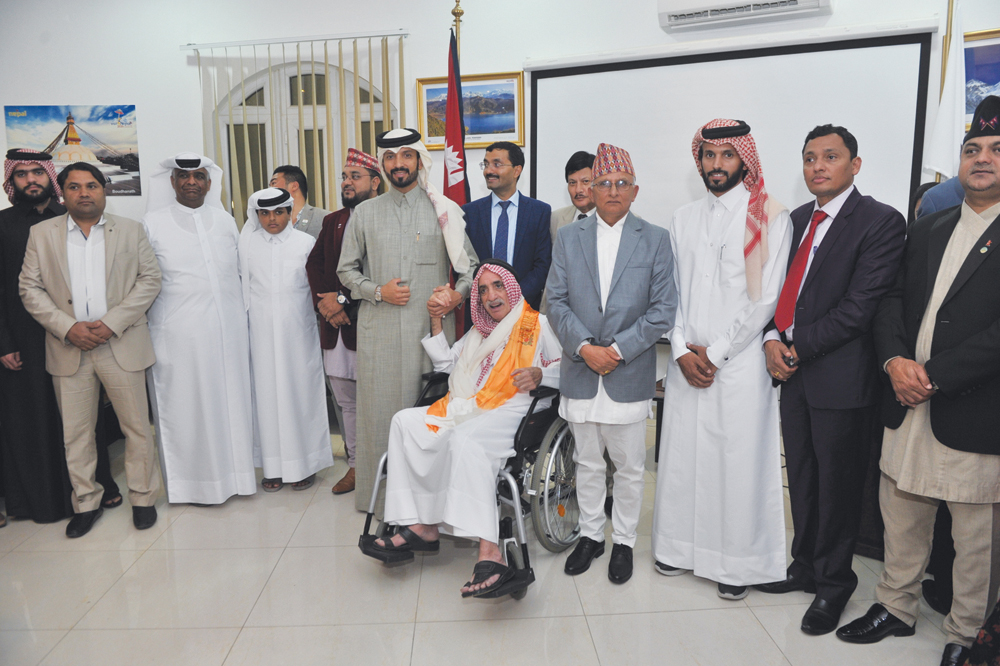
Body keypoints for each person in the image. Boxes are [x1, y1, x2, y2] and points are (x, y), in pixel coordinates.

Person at [836, 95, 1000, 666]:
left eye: (996, 150)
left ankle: (965, 631)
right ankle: (895, 607)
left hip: (974, 405)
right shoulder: (930, 226)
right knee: (901, 510)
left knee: (976, 531)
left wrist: (931, 374)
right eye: (972, 149)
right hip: (906, 400)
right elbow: (891, 303)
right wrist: (894, 364)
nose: (982, 158)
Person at [754, 125, 906, 636]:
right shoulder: (794, 220)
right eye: (810, 158)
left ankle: (834, 585)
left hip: (840, 377)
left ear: (855, 165)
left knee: (839, 486)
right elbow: (777, 292)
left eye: (831, 157)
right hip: (792, 374)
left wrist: (795, 347)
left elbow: (861, 307)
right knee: (801, 476)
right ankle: (804, 567)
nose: (818, 166)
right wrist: (772, 337)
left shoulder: (880, 221)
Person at [652, 119, 793, 600]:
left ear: (744, 160)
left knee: (736, 464)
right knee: (682, 459)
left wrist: (712, 353)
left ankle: (738, 566)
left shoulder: (770, 215)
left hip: (738, 363)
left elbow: (765, 299)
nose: (716, 164)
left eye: (726, 155)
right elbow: (666, 293)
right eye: (708, 155)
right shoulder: (683, 217)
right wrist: (678, 347)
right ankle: (677, 549)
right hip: (684, 359)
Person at [371, 260, 561, 597]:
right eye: (483, 289)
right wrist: (435, 321)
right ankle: (420, 524)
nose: (491, 295)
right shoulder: (478, 333)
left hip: (514, 408)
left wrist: (541, 375)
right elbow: (446, 365)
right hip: (468, 405)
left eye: (498, 286)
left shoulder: (537, 325)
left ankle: (491, 551)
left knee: (464, 439)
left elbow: (567, 369)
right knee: (404, 421)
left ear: (512, 288)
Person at [546, 142, 677, 585]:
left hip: (628, 369)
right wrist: (585, 347)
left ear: (635, 191)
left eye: (621, 183)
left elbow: (662, 309)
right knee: (586, 463)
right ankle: (589, 536)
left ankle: (622, 542)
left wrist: (616, 350)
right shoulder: (567, 237)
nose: (612, 191)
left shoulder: (656, 238)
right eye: (603, 183)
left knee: (629, 466)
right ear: (590, 190)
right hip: (581, 368)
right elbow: (556, 301)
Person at [337, 128, 478, 512]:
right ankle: (381, 504)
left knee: (427, 418)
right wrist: (378, 291)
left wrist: (455, 295)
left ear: (418, 159)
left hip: (428, 334)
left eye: (406, 155)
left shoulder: (443, 209)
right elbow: (346, 273)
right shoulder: (364, 213)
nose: (398, 163)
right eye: (391, 157)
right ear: (382, 164)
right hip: (378, 334)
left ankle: (427, 506)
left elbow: (471, 269)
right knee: (380, 418)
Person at [19, 162, 162, 537]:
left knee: (136, 429)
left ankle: (143, 499)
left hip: (121, 341)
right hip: (70, 347)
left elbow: (150, 280)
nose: (84, 193)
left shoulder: (130, 230)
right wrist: (68, 328)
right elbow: (29, 289)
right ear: (62, 192)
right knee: (76, 433)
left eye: (92, 186)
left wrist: (112, 322)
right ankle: (86, 503)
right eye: (75, 187)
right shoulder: (41, 233)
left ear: (104, 190)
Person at [0, 149, 120, 526]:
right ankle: (39, 499)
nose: (31, 180)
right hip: (22, 341)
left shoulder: (70, 219)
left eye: (38, 172)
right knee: (31, 418)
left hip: (75, 336)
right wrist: (4, 342)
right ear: (11, 181)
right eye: (22, 175)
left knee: (83, 418)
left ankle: (97, 485)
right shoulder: (2, 225)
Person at [141, 153, 255, 505]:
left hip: (228, 336)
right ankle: (192, 486)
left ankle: (237, 479)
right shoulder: (152, 223)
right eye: (184, 176)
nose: (192, 182)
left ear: (210, 182)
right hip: (178, 338)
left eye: (200, 176)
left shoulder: (224, 221)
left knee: (230, 406)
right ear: (172, 182)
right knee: (186, 410)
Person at [240, 187, 333, 492]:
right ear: (257, 215)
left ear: (290, 212)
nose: (272, 219)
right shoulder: (246, 244)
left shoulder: (306, 243)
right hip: (260, 336)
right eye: (264, 213)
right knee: (266, 400)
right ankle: (272, 467)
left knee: (299, 396)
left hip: (298, 334)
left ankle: (304, 465)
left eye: (279, 212)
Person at [307, 148, 381, 495]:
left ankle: (380, 467)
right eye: (344, 176)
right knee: (347, 403)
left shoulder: (383, 219)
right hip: (335, 330)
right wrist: (325, 305)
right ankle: (354, 466)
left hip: (368, 327)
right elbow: (315, 265)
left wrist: (340, 302)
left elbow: (378, 275)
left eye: (355, 176)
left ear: (376, 183)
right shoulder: (332, 220)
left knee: (376, 402)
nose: (347, 182)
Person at [463, 141, 551, 313]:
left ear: (517, 170)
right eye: (486, 164)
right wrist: (489, 298)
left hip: (524, 309)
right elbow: (466, 266)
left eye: (497, 164)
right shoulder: (469, 213)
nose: (489, 171)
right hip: (482, 311)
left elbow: (542, 265)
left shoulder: (539, 211)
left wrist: (514, 298)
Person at [540, 150, 595, 314]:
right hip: (558, 313)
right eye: (572, 183)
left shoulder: (618, 220)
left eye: (585, 181)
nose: (578, 189)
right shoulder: (556, 218)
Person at [270, 165, 329, 239]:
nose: (270, 189)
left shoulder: (325, 218)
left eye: (274, 183)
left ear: (294, 186)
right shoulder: (269, 220)